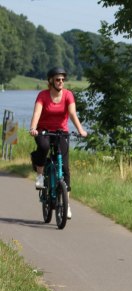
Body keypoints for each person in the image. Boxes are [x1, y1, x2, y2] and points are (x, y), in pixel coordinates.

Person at [29, 67, 88, 219]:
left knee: (65, 167)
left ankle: (66, 204)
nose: (60, 82)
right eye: (57, 79)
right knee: (43, 146)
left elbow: (73, 114)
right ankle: (40, 175)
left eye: (62, 79)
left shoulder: (68, 95)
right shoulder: (43, 95)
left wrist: (81, 130)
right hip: (44, 130)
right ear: (51, 81)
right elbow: (37, 113)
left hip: (61, 132)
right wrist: (33, 128)